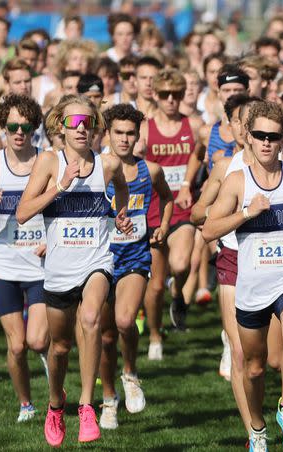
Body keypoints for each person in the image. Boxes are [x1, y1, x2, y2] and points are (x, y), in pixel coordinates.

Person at [203, 101, 283, 452]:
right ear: (249, 138)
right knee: (254, 368)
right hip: (251, 285)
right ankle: (257, 429)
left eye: (274, 136)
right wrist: (245, 212)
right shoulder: (237, 182)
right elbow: (209, 230)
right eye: (260, 136)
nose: (267, 142)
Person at [15, 95, 132, 446]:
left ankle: (86, 406)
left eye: (87, 123)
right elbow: (22, 213)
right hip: (59, 271)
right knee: (61, 347)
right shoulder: (50, 162)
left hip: (96, 262)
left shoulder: (107, 164)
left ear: (95, 127)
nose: (81, 129)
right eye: (74, 123)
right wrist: (61, 185)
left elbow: (122, 189)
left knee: (93, 317)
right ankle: (55, 403)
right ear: (60, 128)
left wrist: (121, 213)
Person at [97, 103, 173, 429]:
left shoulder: (150, 170)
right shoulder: (96, 168)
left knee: (126, 320)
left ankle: (130, 373)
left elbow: (167, 198)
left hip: (135, 257)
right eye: (119, 133)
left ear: (138, 134)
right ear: (107, 133)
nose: (125, 139)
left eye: (131, 133)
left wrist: (164, 226)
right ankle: (109, 400)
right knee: (105, 336)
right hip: (99, 259)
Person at [0, 94, 48, 423]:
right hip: (4, 265)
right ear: (2, 126)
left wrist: (53, 243)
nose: (19, 132)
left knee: (37, 339)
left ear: (34, 127)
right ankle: (26, 404)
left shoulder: (48, 162)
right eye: (13, 126)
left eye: (26, 126)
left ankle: (56, 390)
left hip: (42, 265)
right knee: (17, 346)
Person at [191, 94, 259, 438]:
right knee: (239, 353)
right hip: (233, 258)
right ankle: (254, 434)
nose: (248, 128)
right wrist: (220, 210)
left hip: (273, 265)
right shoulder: (224, 167)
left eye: (254, 121)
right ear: (231, 128)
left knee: (269, 359)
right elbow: (196, 213)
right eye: (241, 121)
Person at [139, 68, 204, 352]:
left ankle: (178, 292)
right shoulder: (145, 127)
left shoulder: (194, 125)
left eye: (176, 95)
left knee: (180, 264)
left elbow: (197, 154)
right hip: (152, 209)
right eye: (165, 95)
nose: (170, 100)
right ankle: (155, 335)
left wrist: (188, 183)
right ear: (155, 95)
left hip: (180, 207)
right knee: (153, 287)